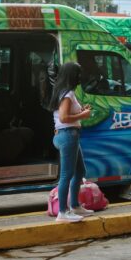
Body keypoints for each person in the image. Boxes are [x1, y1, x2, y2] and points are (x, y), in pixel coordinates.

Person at [48, 62, 93, 223]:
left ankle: (74, 205)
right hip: (68, 135)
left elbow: (66, 115)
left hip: (68, 135)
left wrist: (81, 111)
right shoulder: (67, 94)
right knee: (66, 175)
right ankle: (63, 212)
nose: (81, 77)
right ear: (73, 76)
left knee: (80, 171)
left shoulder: (66, 92)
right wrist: (83, 115)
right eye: (79, 73)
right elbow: (64, 118)